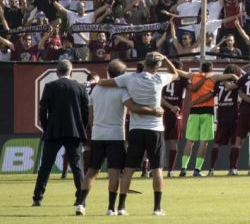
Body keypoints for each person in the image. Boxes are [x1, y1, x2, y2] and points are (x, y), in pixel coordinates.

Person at [97, 52, 185, 216]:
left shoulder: (129, 78)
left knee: (129, 169)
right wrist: (166, 58)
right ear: (157, 67)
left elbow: (105, 82)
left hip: (136, 130)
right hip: (155, 130)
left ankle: (121, 207)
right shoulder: (159, 79)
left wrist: (96, 81)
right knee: (157, 169)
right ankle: (157, 208)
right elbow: (175, 73)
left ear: (144, 63)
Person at [81, 59, 163, 216]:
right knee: (114, 171)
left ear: (108, 72)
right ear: (122, 75)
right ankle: (112, 207)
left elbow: (90, 118)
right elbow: (133, 108)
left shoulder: (96, 89)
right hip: (116, 135)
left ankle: (81, 203)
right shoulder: (123, 90)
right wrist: (153, 111)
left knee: (92, 171)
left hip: (97, 134)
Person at [32, 59, 90, 212]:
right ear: (71, 71)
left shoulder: (50, 87)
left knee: (45, 166)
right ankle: (80, 198)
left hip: (54, 130)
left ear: (57, 72)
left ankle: (37, 197)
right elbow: (86, 112)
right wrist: (81, 127)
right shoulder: (80, 87)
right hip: (73, 131)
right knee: (77, 166)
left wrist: (47, 127)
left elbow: (42, 110)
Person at [179, 61, 239, 177]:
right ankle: (197, 170)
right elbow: (232, 76)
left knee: (190, 141)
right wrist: (240, 76)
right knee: (203, 142)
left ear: (201, 68)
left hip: (194, 111)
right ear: (211, 69)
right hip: (207, 111)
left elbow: (182, 73)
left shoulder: (194, 76)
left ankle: (183, 169)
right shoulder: (214, 77)